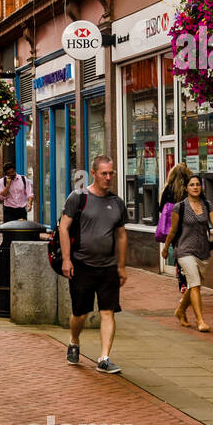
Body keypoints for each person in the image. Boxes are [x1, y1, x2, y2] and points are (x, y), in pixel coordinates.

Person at [58, 155, 128, 375]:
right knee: (80, 313)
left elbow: (121, 235)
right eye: (104, 173)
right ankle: (74, 341)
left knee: (108, 311)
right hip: (82, 264)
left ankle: (104, 358)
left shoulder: (116, 202)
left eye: (111, 173)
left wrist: (121, 266)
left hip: (108, 266)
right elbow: (63, 228)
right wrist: (67, 259)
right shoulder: (78, 197)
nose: (108, 178)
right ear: (94, 173)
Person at [163, 175, 213, 332]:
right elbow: (173, 230)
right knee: (195, 285)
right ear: (186, 188)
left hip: (203, 251)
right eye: (192, 185)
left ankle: (180, 311)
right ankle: (200, 321)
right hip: (184, 250)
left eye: (197, 184)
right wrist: (166, 248)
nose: (195, 187)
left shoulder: (207, 204)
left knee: (194, 286)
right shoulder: (180, 207)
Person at [157, 163, 194, 273]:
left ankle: (181, 274)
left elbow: (161, 208)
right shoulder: (190, 188)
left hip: (174, 228)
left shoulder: (168, 188)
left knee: (178, 251)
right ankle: (188, 274)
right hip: (189, 226)